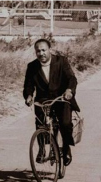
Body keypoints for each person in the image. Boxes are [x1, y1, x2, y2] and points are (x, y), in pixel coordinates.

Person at [23, 38, 80, 166]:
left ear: (49, 50)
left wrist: (69, 91)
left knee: (65, 123)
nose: (41, 53)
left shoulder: (61, 61)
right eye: (38, 51)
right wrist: (29, 96)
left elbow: (72, 78)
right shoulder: (32, 66)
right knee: (40, 123)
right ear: (35, 52)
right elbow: (28, 85)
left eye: (44, 50)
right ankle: (42, 149)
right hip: (43, 99)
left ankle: (66, 149)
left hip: (62, 97)